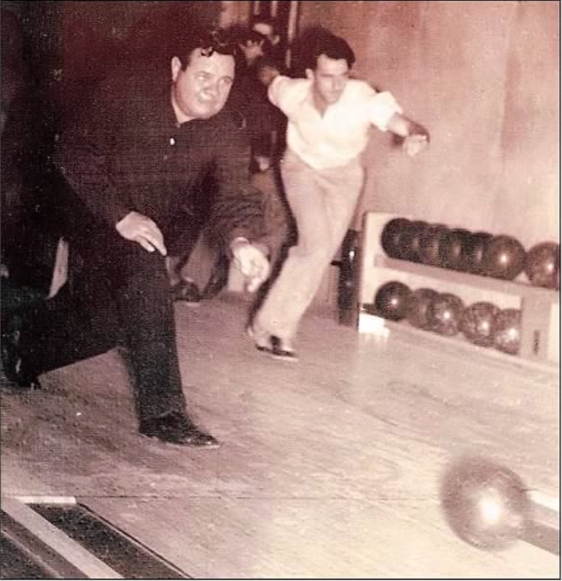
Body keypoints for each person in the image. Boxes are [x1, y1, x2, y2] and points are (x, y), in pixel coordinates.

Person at [4, 26, 272, 446]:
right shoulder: (128, 93)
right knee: (145, 266)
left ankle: (20, 343)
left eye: (224, 81)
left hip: (141, 226)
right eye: (203, 76)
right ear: (176, 69)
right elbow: (72, 150)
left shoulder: (225, 129)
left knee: (105, 323)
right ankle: (163, 412)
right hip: (88, 207)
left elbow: (236, 193)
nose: (213, 91)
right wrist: (119, 215)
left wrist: (241, 242)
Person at [248, 31, 430, 360]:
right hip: (300, 169)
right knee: (314, 243)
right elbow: (270, 77)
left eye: (342, 77)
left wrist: (417, 135)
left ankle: (268, 324)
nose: (336, 86)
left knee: (318, 252)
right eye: (327, 77)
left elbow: (401, 122)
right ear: (310, 75)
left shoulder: (362, 97)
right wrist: (254, 59)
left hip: (344, 176)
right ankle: (277, 328)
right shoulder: (293, 93)